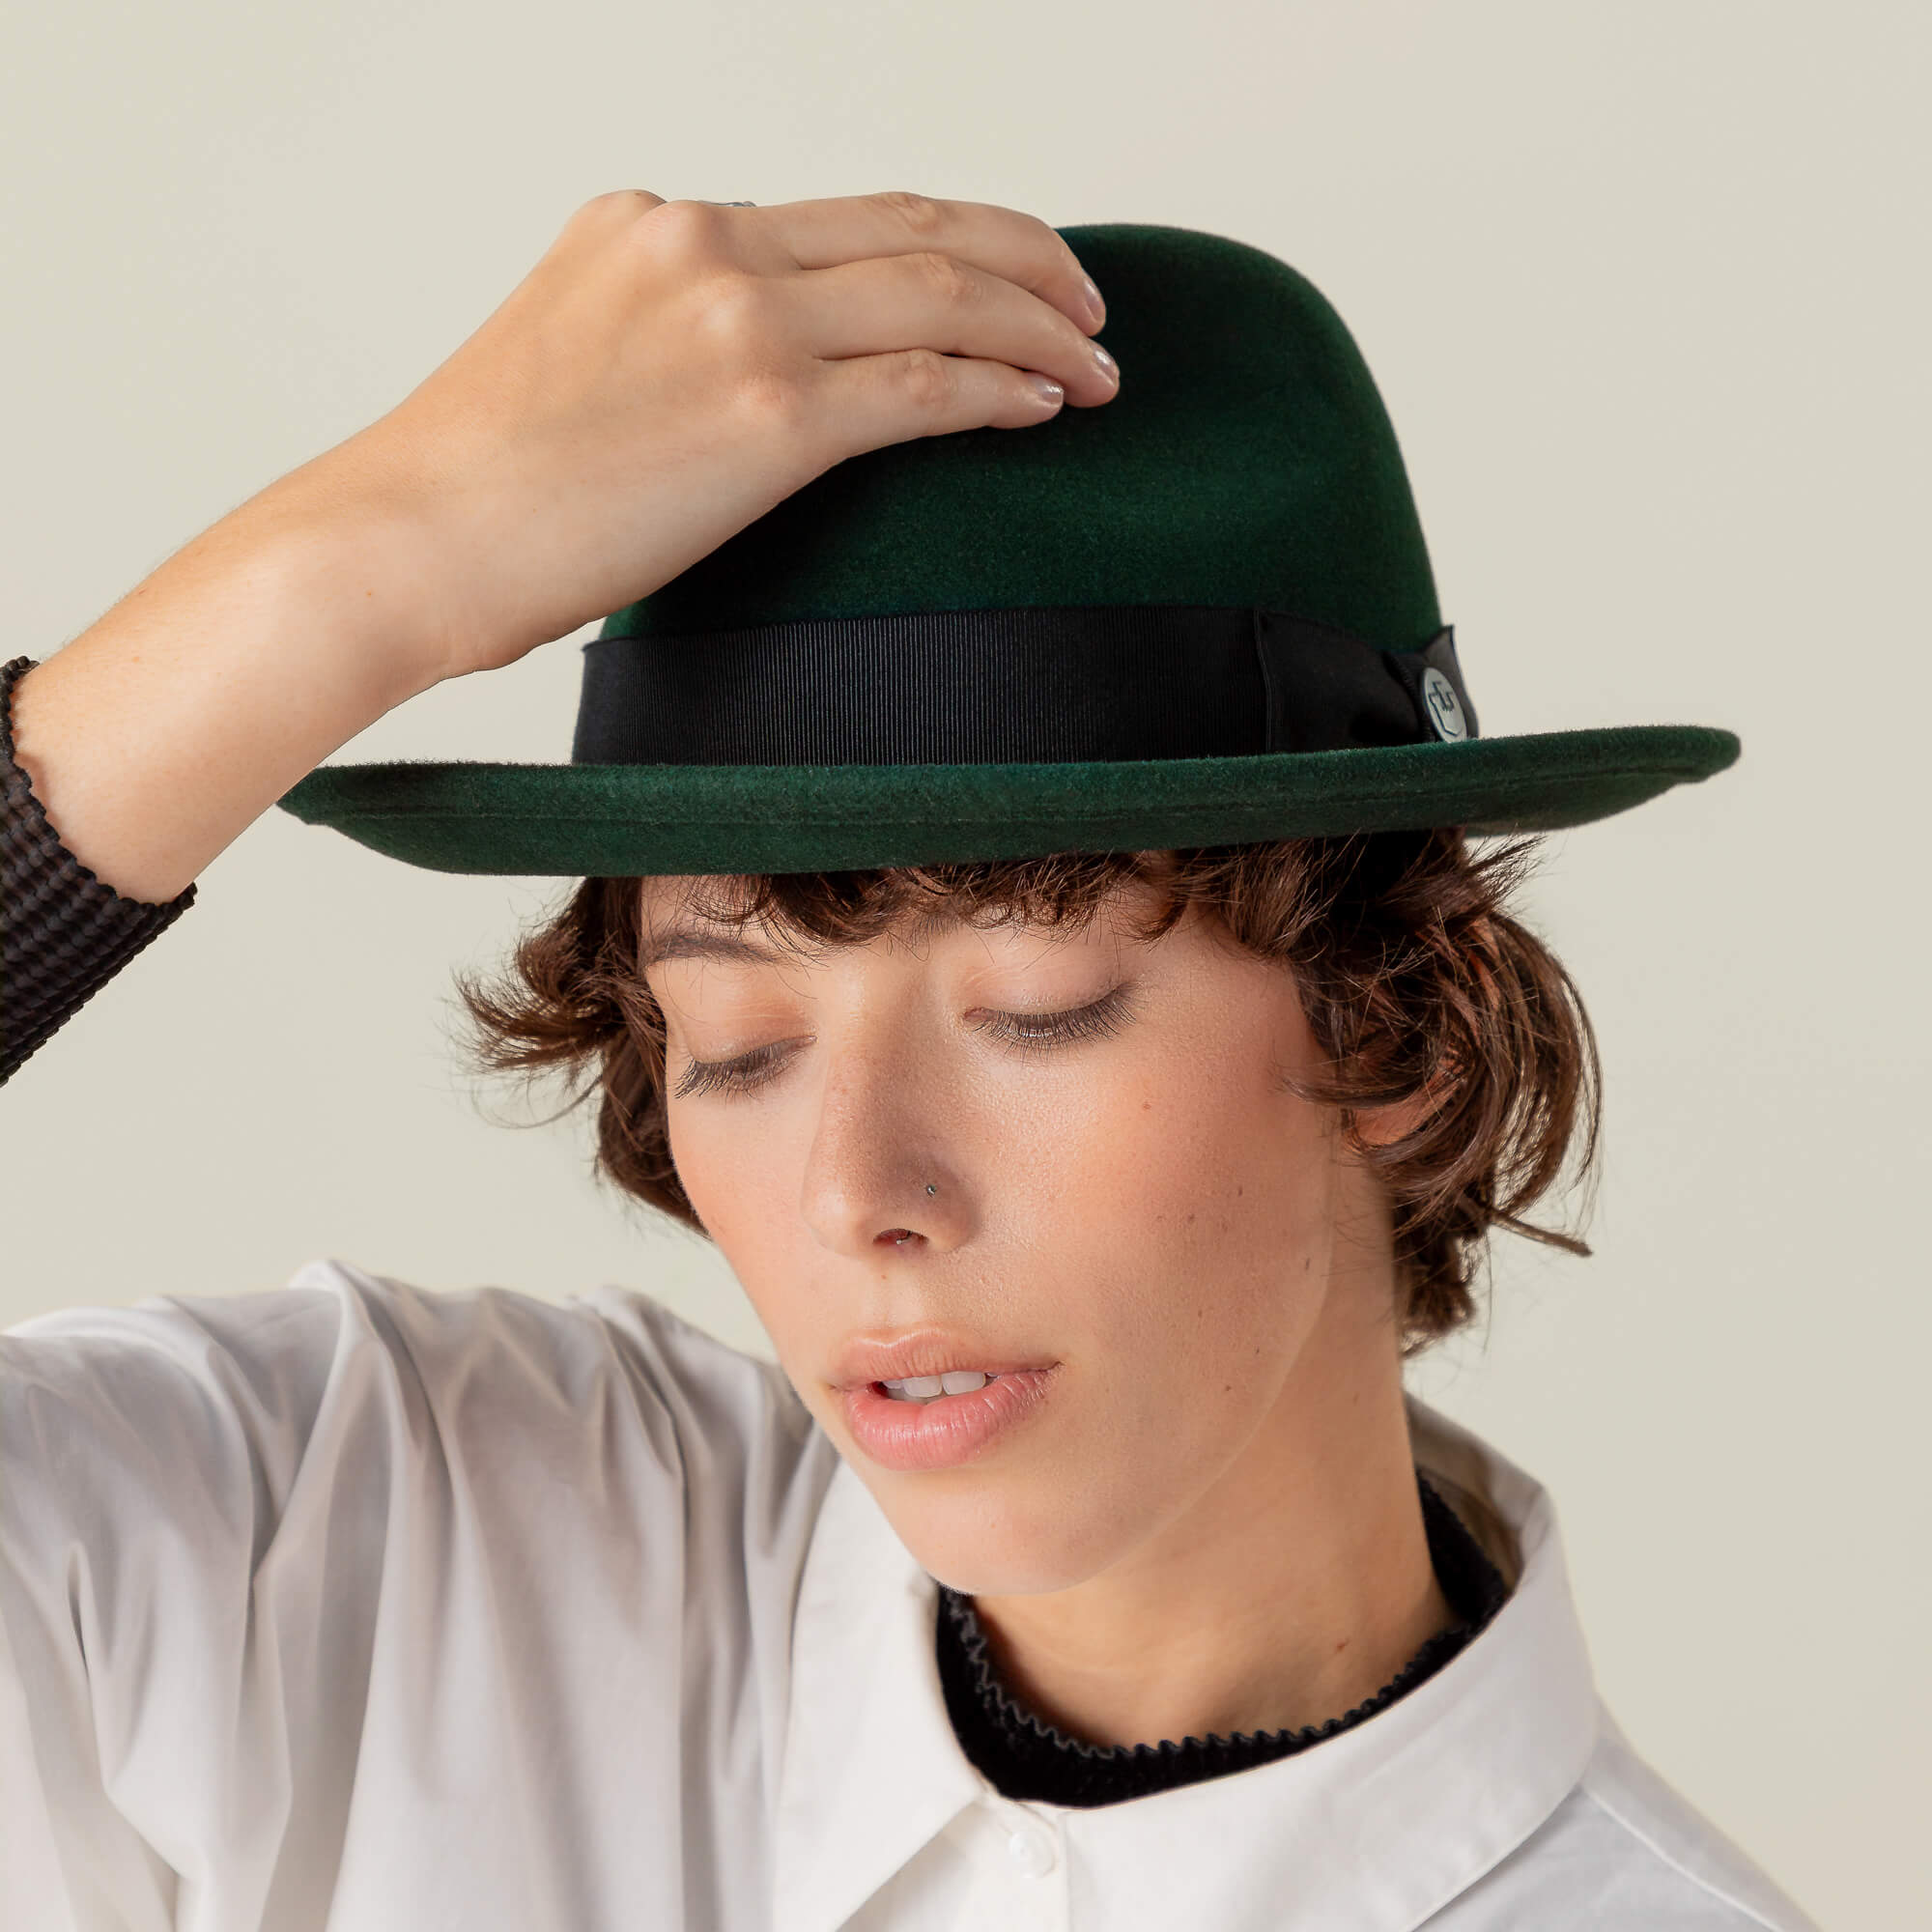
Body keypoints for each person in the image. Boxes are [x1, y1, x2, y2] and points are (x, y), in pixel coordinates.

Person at [0, 190, 1817, 1930]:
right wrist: (354, 565)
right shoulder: (371, 1562)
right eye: (739, 1043)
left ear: (1401, 1018)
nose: (862, 1194)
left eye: (1036, 1009)